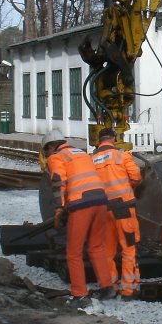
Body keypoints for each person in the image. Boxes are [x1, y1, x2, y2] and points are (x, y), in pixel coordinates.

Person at [41, 129, 116, 301]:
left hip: (81, 203)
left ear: (52, 146)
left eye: (46, 151)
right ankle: (107, 287)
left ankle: (80, 294)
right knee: (96, 247)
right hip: (101, 200)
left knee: (73, 252)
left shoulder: (57, 157)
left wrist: (59, 209)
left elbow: (58, 181)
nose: (47, 156)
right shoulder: (81, 153)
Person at [91, 127, 143, 298]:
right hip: (123, 208)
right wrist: (127, 188)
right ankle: (128, 290)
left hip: (104, 210)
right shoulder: (122, 155)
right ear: (114, 139)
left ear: (99, 141)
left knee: (107, 251)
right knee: (128, 248)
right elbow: (136, 176)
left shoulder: (92, 159)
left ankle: (110, 286)